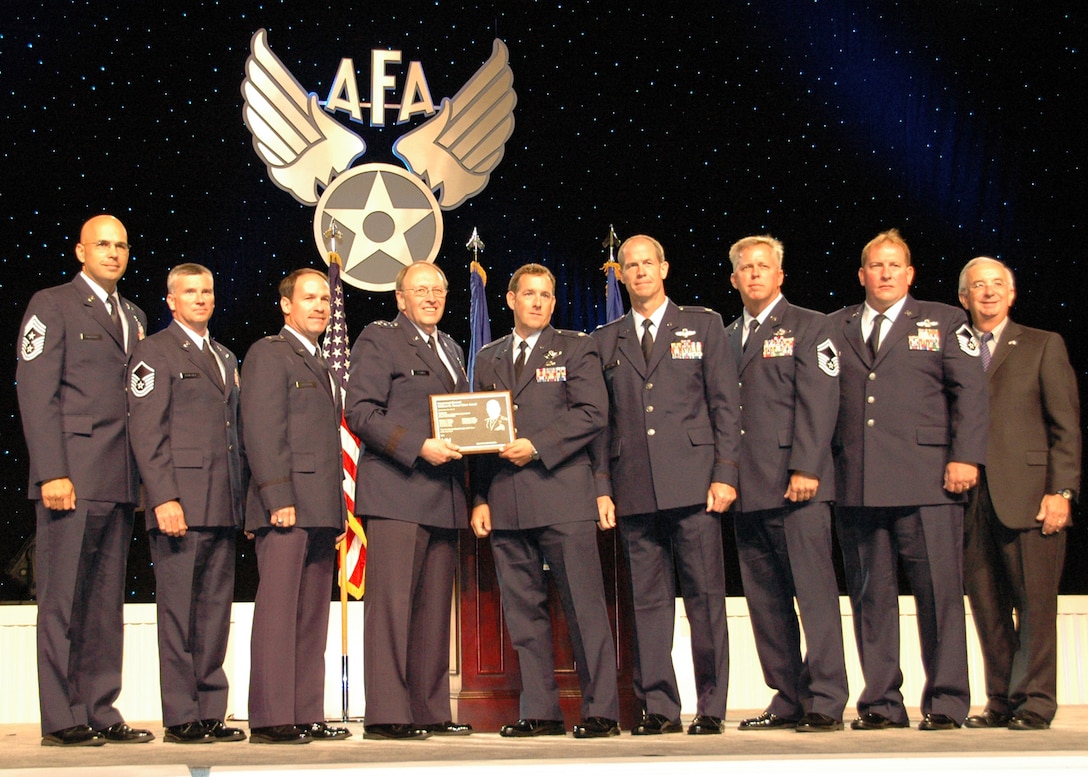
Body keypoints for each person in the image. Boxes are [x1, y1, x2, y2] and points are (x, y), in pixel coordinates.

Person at [831, 228, 988, 731]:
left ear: (910, 273)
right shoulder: (836, 327)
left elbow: (972, 395)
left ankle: (946, 702)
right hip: (857, 482)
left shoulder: (944, 321)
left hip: (928, 483)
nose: (885, 273)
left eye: (894, 265)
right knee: (870, 597)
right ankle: (880, 703)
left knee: (938, 595)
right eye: (876, 265)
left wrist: (966, 458)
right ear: (862, 274)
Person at [591, 235, 739, 736]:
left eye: (646, 264)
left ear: (664, 267)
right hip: (634, 487)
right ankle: (659, 707)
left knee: (705, 600)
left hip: (697, 485)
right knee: (648, 606)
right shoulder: (605, 338)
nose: (638, 273)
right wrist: (602, 486)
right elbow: (602, 424)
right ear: (622, 275)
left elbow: (725, 406)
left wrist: (725, 474)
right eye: (629, 266)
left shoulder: (703, 324)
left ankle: (712, 705)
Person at [16, 214, 152, 747]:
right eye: (102, 244)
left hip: (118, 480)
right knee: (62, 602)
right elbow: (36, 392)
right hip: (69, 477)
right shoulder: (51, 305)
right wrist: (52, 470)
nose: (113, 253)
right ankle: (61, 716)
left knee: (103, 604)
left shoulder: (135, 316)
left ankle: (101, 708)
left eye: (121, 244)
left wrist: (141, 482)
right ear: (80, 251)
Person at [471, 263, 621, 739]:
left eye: (546, 295)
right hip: (506, 501)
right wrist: (479, 497)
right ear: (511, 299)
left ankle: (602, 712)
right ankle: (540, 711)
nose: (537, 302)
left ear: (554, 304)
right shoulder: (489, 356)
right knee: (524, 615)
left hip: (563, 496)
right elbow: (476, 431)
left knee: (584, 608)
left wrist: (537, 444)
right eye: (528, 294)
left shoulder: (577, 347)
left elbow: (593, 413)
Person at [344, 261, 473, 740]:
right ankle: (387, 713)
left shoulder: (453, 348)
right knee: (392, 610)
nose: (432, 297)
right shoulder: (379, 339)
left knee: (434, 612)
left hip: (445, 496)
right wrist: (418, 445)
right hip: (398, 491)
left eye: (438, 289)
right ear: (400, 298)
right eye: (421, 290)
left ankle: (430, 709)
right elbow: (360, 410)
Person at [726, 235, 848, 733]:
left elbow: (821, 403)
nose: (754, 274)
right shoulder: (727, 334)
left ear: (780, 275)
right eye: (745, 268)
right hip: (745, 489)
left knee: (814, 595)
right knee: (766, 601)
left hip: (797, 485)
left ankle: (826, 699)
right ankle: (787, 695)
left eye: (764, 266)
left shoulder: (812, 326)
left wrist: (808, 467)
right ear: (734, 279)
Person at [957, 257, 1081, 731]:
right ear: (963, 299)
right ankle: (1001, 700)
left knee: (1034, 604)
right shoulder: (954, 348)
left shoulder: (1042, 345)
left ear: (1011, 295)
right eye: (977, 287)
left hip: (1031, 496)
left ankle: (1035, 701)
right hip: (969, 499)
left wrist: (1062, 491)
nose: (987, 293)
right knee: (986, 604)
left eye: (997, 285)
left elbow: (1065, 428)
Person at [127, 263, 246, 744]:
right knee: (179, 612)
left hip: (222, 503)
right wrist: (164, 498)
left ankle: (211, 711)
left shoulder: (225, 356)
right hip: (179, 504)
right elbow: (146, 432)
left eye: (207, 291)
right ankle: (181, 716)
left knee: (215, 613)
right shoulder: (152, 352)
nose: (200, 299)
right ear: (171, 300)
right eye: (189, 292)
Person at [241, 269, 352, 744]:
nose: (321, 307)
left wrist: (338, 511)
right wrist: (276, 496)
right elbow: (262, 430)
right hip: (285, 506)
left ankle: (304, 711)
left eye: (325, 299)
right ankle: (270, 718)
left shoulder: (322, 365)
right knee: (278, 615)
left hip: (321, 509)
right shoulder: (269, 353)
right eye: (309, 298)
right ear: (286, 305)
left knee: (310, 618)